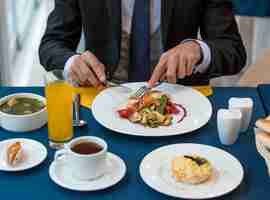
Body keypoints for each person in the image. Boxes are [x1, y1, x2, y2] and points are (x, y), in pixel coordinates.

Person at [39, 0, 246, 87]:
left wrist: (199, 50)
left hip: (180, 102)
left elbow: (233, 50)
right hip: (103, 95)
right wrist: (71, 62)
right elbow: (52, 43)